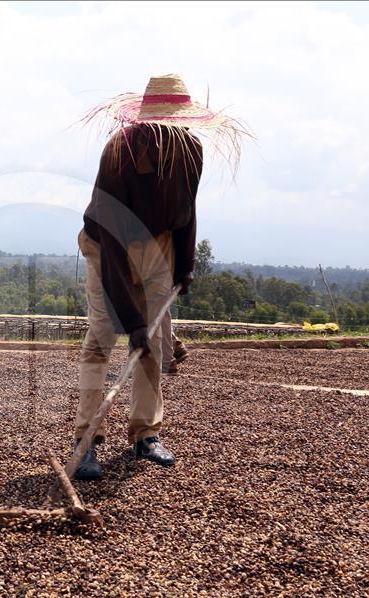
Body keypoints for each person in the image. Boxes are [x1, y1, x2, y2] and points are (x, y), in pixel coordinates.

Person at [73, 73, 245, 480]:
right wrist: (130, 321)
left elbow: (187, 211)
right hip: (108, 247)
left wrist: (185, 264)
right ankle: (86, 440)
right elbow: (112, 240)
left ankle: (145, 434)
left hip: (161, 245)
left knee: (151, 345)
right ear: (145, 121)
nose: (170, 129)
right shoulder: (119, 154)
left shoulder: (192, 151)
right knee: (101, 339)